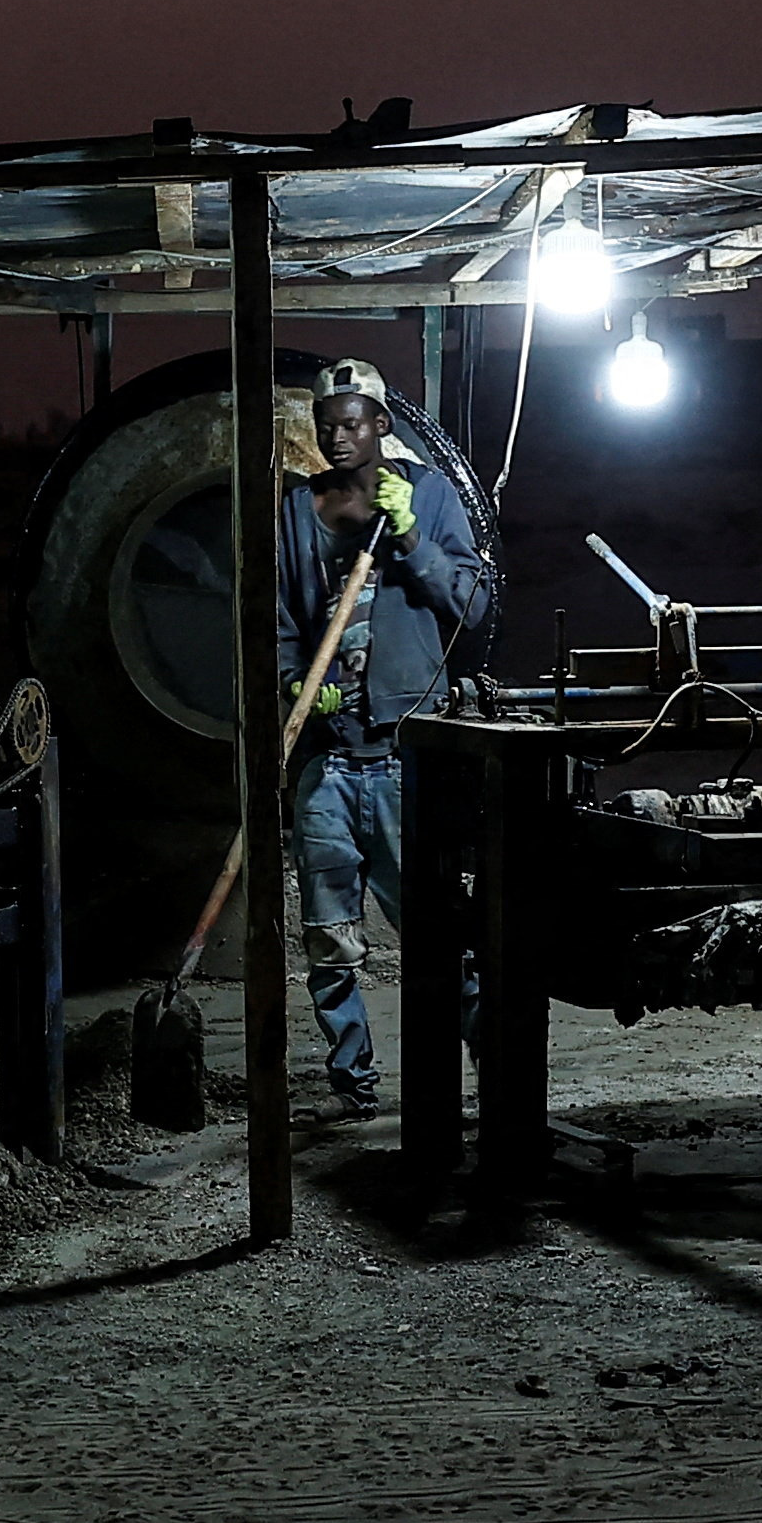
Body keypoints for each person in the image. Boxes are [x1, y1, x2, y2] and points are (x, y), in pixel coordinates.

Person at [268, 357, 491, 1121]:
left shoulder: (428, 495)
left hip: (404, 758)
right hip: (327, 760)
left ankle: (491, 1058)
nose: (338, 437)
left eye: (353, 423)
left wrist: (412, 534)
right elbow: (279, 623)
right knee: (329, 940)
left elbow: (472, 606)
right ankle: (352, 1084)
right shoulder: (298, 509)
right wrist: (299, 682)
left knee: (436, 931)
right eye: (327, 425)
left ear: (382, 426)